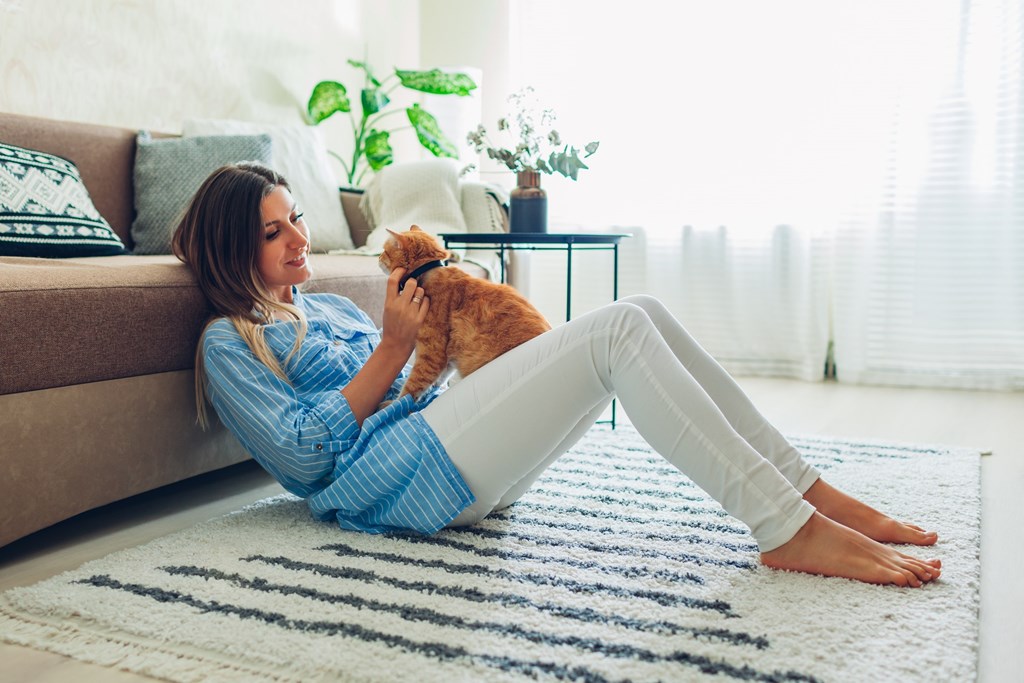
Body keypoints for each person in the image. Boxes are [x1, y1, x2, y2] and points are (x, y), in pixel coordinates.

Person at [172, 161, 942, 588]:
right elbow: (305, 461)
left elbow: (409, 381)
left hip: (438, 444)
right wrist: (390, 352)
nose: (298, 237)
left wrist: (438, 342)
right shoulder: (227, 343)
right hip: (394, 485)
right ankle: (789, 529)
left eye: (296, 216)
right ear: (230, 248)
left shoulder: (328, 307)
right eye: (272, 231)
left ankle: (809, 493)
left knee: (638, 308)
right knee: (619, 331)